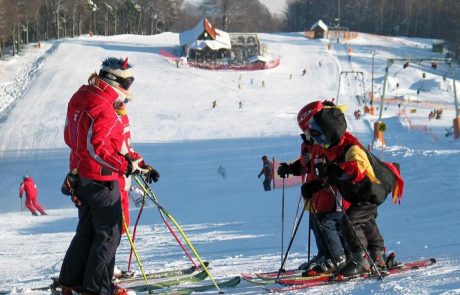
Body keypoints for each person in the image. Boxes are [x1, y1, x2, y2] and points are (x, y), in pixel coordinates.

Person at [59, 57, 157, 295]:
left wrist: (136, 163)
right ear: (114, 79)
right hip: (101, 179)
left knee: (88, 231)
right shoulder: (103, 104)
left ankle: (72, 282)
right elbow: (97, 147)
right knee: (109, 235)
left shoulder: (82, 95)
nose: (128, 88)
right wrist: (123, 166)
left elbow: (70, 137)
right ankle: (98, 288)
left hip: (81, 175)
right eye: (128, 82)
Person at [296, 100, 404, 278]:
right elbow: (332, 177)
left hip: (372, 189)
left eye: (319, 136)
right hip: (361, 193)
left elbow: (356, 171)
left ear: (329, 131)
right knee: (366, 221)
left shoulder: (350, 146)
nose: (317, 141)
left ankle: (360, 259)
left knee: (351, 222)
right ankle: (377, 255)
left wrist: (334, 169)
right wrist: (315, 185)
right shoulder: (332, 147)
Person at [277, 107, 349, 275]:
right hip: (314, 190)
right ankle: (325, 254)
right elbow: (306, 164)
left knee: (328, 222)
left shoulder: (325, 143)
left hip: (327, 190)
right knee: (316, 224)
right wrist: (291, 168)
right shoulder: (309, 143)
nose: (310, 134)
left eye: (311, 130)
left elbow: (327, 167)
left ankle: (338, 256)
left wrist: (318, 183)